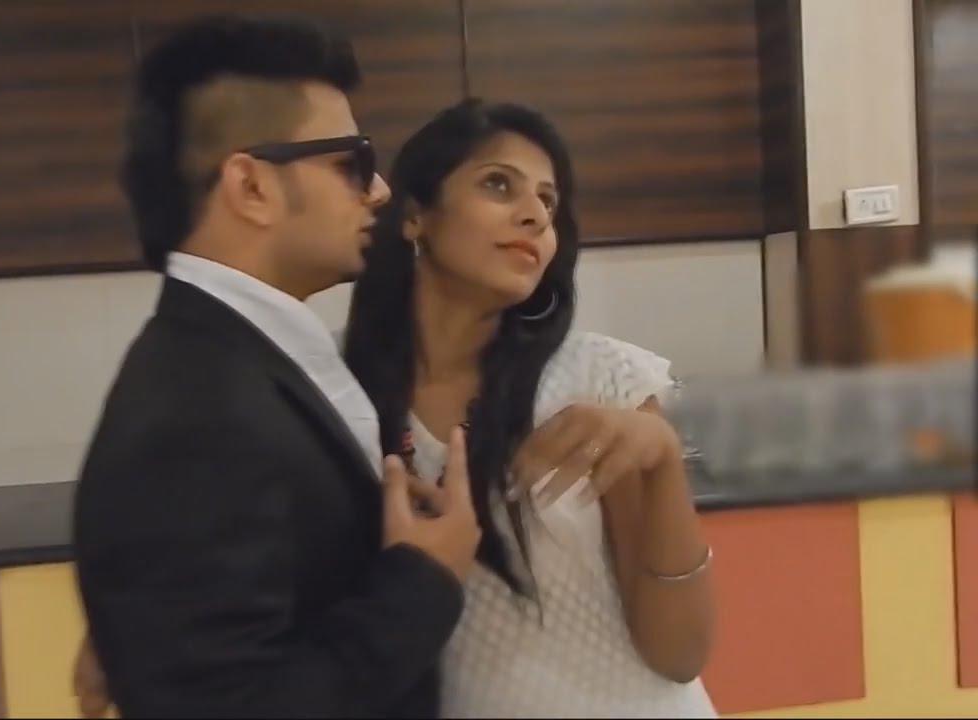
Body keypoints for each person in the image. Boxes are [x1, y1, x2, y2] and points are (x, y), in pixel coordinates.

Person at [72, 14, 481, 719]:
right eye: (351, 163)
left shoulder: (247, 361)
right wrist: (422, 581)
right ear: (252, 187)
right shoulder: (197, 413)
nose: (378, 191)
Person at [341, 98, 719, 718]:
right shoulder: (338, 386)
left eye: (548, 201)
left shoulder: (601, 380)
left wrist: (662, 460)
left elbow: (680, 655)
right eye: (498, 185)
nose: (535, 215)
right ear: (414, 214)